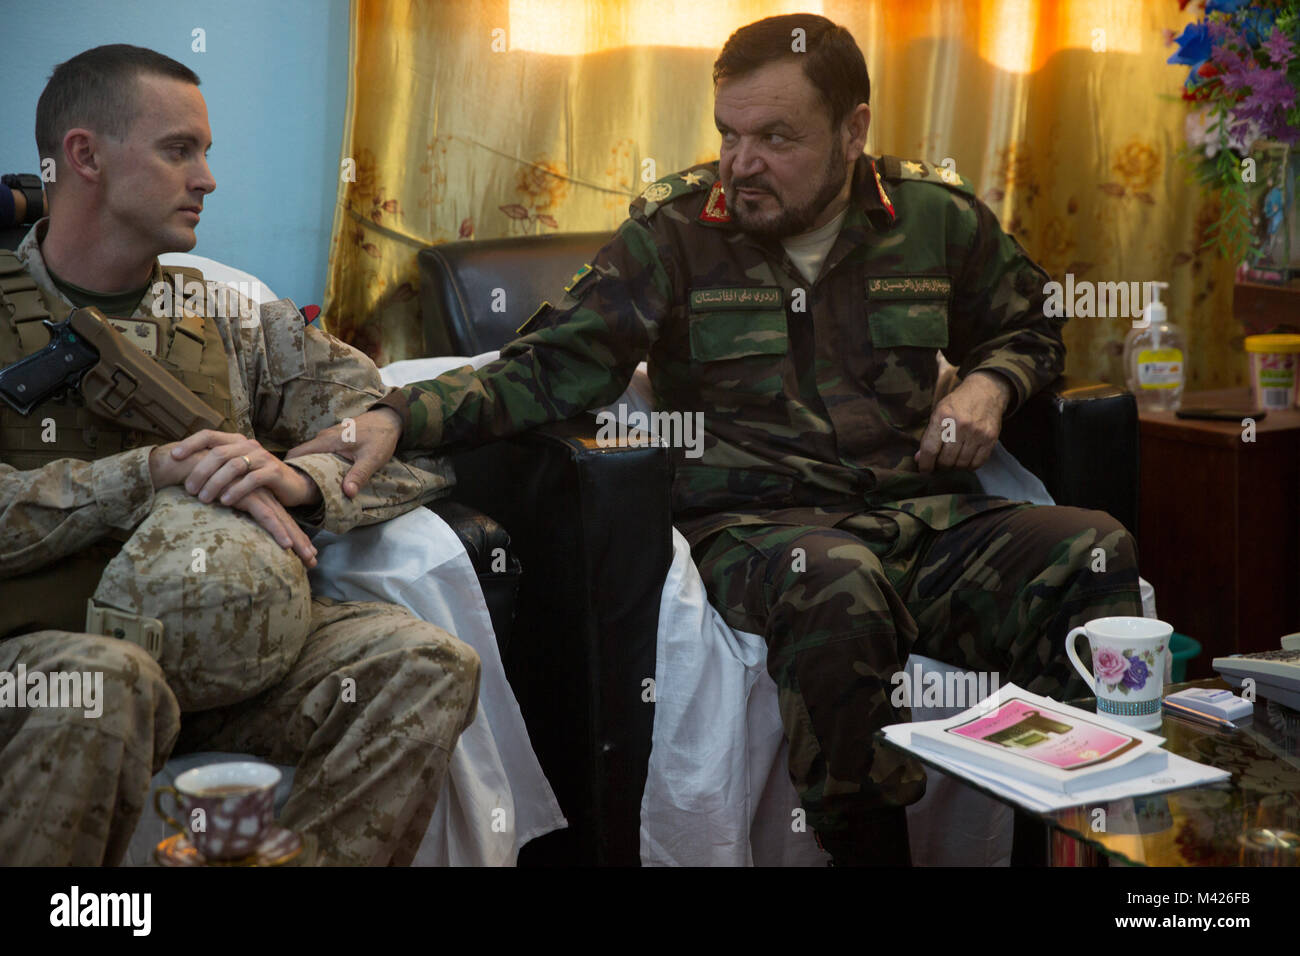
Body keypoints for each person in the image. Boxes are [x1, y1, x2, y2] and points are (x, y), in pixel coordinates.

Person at [294, 14, 1141, 865]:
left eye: (777, 137)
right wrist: (398, 415)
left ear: (854, 131)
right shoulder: (677, 234)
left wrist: (993, 383)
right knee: (838, 588)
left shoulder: (934, 221)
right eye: (730, 134)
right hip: (762, 532)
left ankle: (1088, 847)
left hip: (925, 520)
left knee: (1090, 549)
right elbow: (546, 369)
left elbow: (1032, 322)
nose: (742, 165)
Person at [0, 44, 480, 866]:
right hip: (44, 659)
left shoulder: (232, 319)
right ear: (83, 156)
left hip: (230, 666)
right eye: (178, 149)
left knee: (423, 662)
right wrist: (146, 472)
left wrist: (307, 478)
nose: (208, 178)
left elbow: (403, 423)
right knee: (108, 681)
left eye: (207, 152)